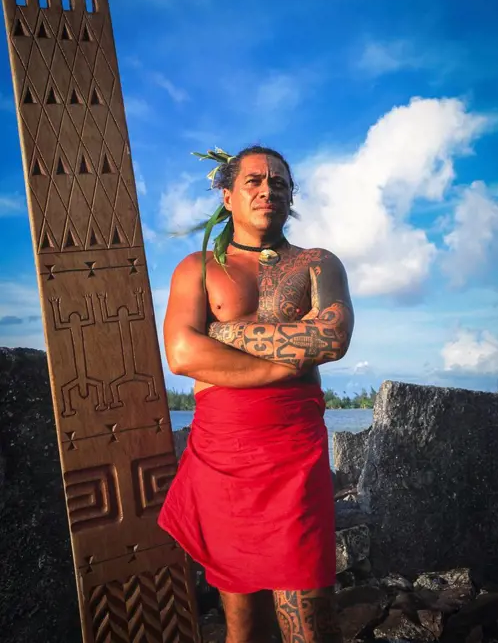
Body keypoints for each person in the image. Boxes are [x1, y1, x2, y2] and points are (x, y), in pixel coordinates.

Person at [159, 146, 354, 643]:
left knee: (312, 624)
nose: (269, 189)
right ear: (227, 195)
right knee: (243, 628)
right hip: (223, 457)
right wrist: (280, 364)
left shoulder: (317, 263)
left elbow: (331, 339)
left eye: (281, 183)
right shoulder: (197, 268)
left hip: (293, 456)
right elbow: (181, 353)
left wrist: (220, 333)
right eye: (254, 181)